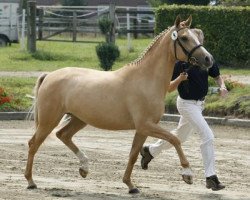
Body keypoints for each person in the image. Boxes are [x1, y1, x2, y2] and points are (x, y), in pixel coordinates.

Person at [140, 30, 228, 191]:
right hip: (186, 104)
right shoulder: (180, 64)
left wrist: (222, 86)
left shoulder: (206, 59)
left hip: (200, 105)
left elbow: (217, 75)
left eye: (200, 41)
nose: (198, 45)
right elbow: (168, 88)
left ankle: (150, 151)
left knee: (180, 136)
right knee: (207, 135)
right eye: (195, 42)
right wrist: (180, 78)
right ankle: (211, 177)